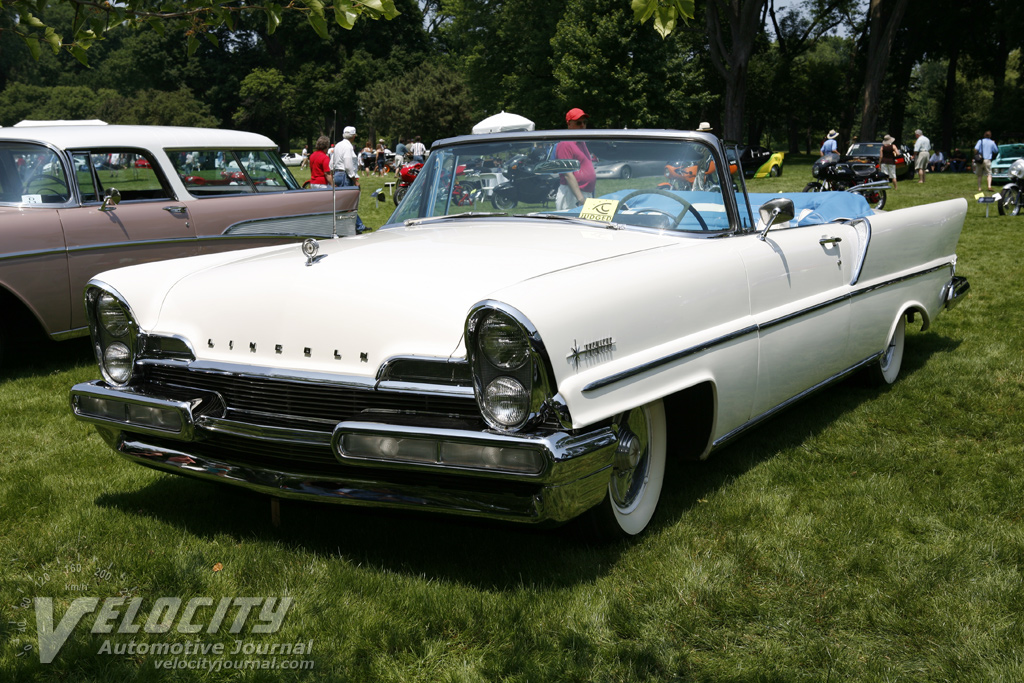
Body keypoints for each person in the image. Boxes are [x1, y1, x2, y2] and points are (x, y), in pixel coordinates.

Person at [554, 108, 596, 211]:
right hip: (572, 195)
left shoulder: (581, 142)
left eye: (584, 122)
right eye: (578, 123)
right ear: (569, 124)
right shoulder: (565, 144)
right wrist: (581, 199)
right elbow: (568, 174)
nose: (582, 125)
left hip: (584, 193)